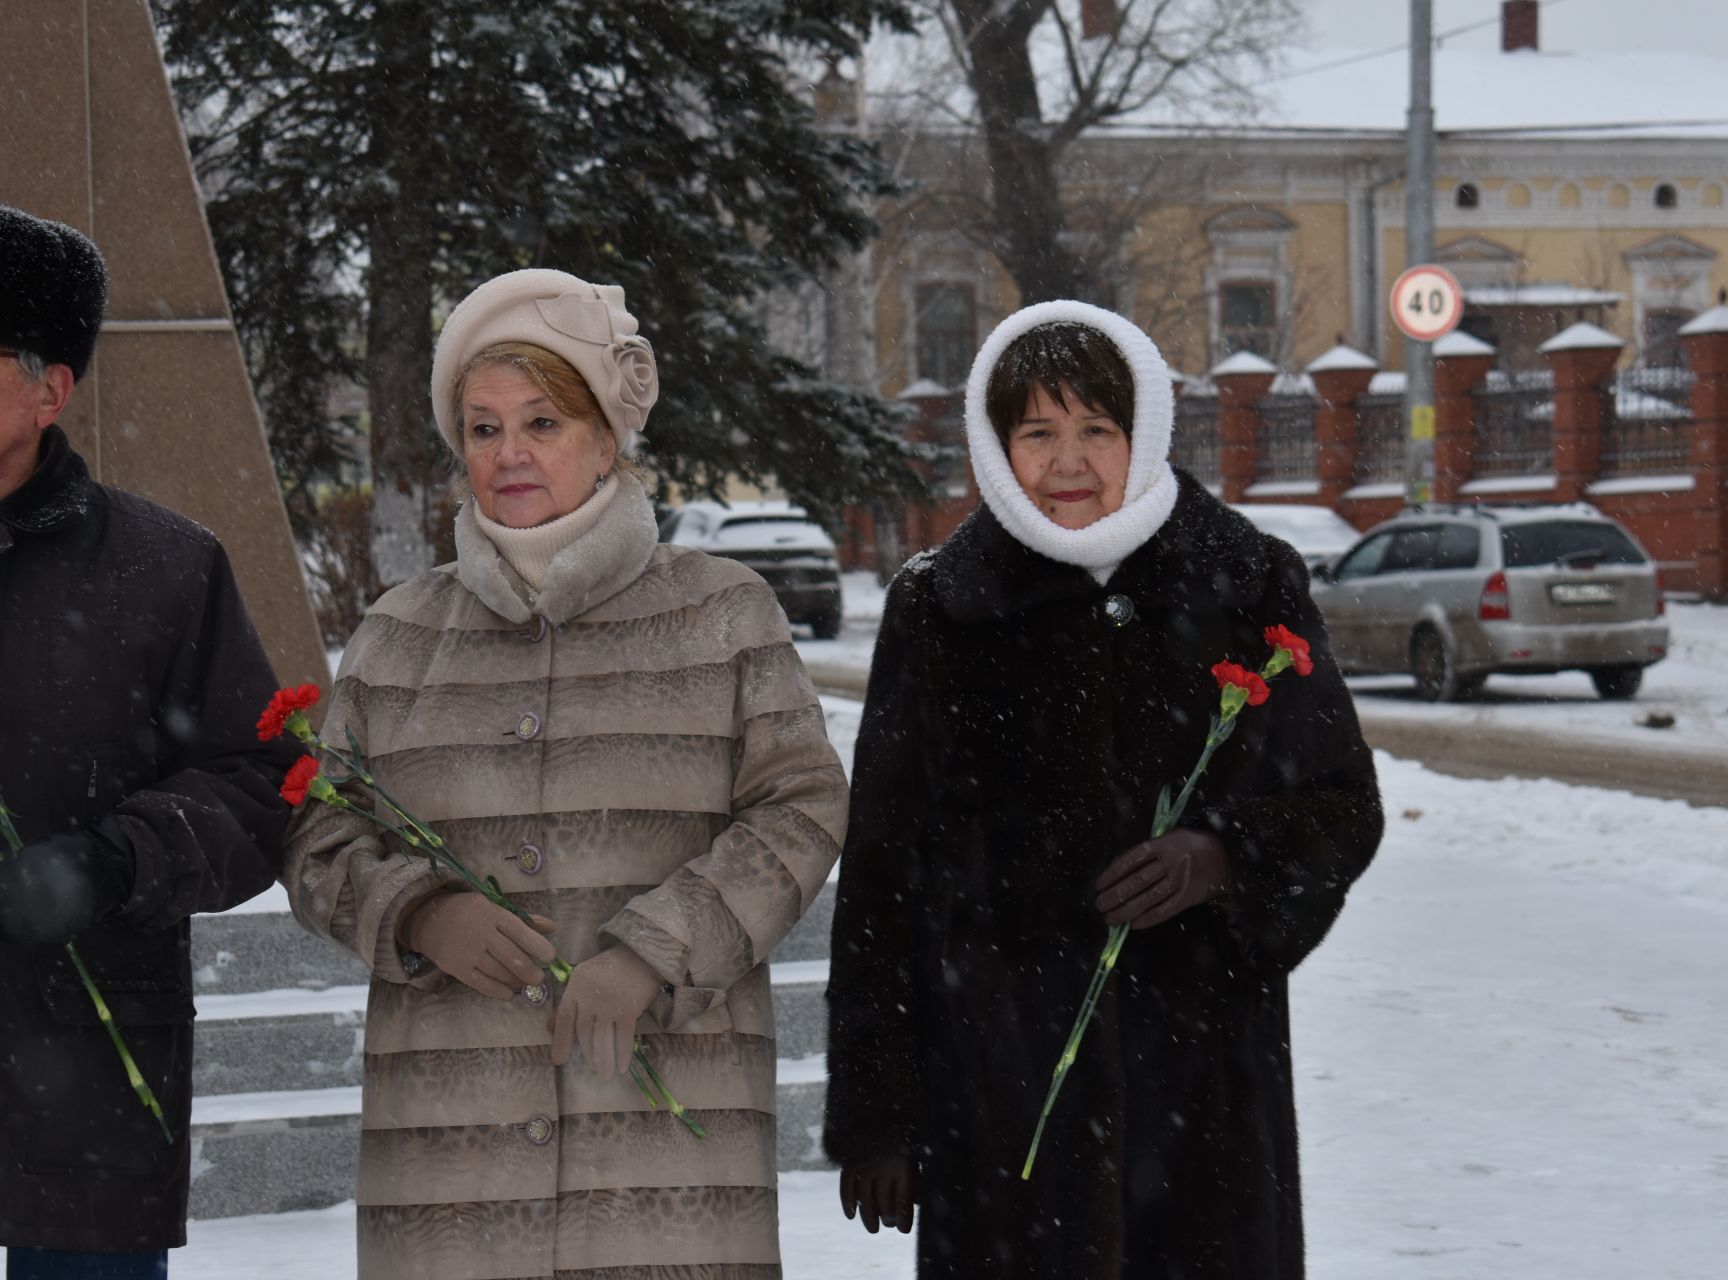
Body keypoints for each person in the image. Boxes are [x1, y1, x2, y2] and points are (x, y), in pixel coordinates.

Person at [282, 268, 848, 1279]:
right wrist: (416, 911)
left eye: (542, 421)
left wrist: (654, 951)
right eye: (485, 426)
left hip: (665, 1156)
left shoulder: (722, 612)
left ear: (605, 438)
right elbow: (322, 836)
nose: (509, 453)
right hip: (453, 1169)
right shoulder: (396, 635)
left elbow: (801, 808)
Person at [823, 301, 1384, 1278]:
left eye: (1097, 429)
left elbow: (1340, 801)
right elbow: (882, 874)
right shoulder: (942, 607)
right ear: (997, 447)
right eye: (1037, 432)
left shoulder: (1247, 582)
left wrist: (1225, 856)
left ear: (1146, 434)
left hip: (1206, 1102)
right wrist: (878, 1110)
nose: (1068, 460)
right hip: (999, 1100)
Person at [0, 206, 294, 1277]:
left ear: (48, 389)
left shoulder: (163, 569)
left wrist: (115, 858)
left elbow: (261, 779)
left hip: (84, 1063)